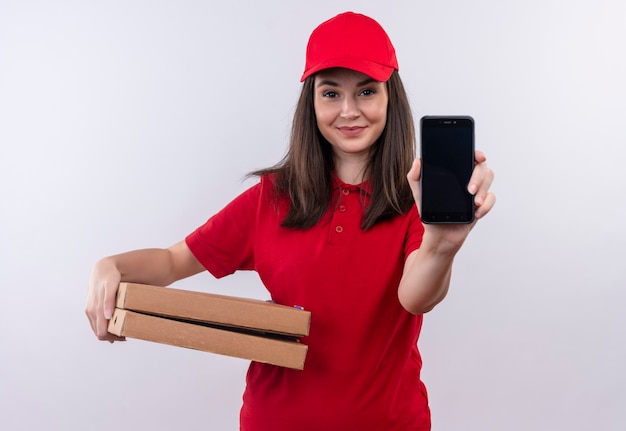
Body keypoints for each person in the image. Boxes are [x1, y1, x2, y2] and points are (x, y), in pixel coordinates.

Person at [86, 11, 495, 431]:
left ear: (391, 98)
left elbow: (415, 297)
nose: (349, 111)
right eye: (331, 93)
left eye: (367, 92)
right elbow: (174, 262)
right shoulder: (271, 197)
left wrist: (441, 243)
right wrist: (110, 267)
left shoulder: (415, 200)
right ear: (311, 102)